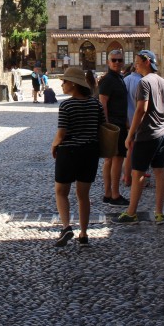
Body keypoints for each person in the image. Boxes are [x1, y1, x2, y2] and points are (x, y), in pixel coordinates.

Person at [50, 66, 105, 247]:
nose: (62, 85)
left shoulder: (66, 105)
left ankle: (66, 227)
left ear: (73, 84)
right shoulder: (96, 104)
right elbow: (103, 128)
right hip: (90, 153)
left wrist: (54, 145)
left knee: (61, 191)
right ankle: (83, 233)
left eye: (64, 82)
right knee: (83, 195)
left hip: (69, 152)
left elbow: (62, 132)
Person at [117, 50, 164, 225]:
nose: (135, 65)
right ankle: (159, 213)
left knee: (137, 172)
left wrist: (130, 134)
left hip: (147, 134)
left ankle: (131, 212)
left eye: (138, 62)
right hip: (163, 132)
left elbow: (141, 109)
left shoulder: (144, 82)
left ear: (147, 62)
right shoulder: (162, 81)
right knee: (159, 171)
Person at [97, 50, 130, 208]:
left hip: (119, 124)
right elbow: (103, 103)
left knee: (110, 160)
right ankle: (114, 195)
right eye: (114, 60)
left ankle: (108, 194)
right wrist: (107, 125)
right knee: (116, 160)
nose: (117, 62)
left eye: (119, 60)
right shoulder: (108, 80)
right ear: (108, 62)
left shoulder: (119, 78)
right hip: (114, 126)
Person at [122, 60, 144, 188]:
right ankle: (129, 177)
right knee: (133, 150)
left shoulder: (126, 80)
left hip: (127, 118)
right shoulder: (141, 82)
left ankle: (126, 175)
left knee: (129, 149)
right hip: (136, 119)